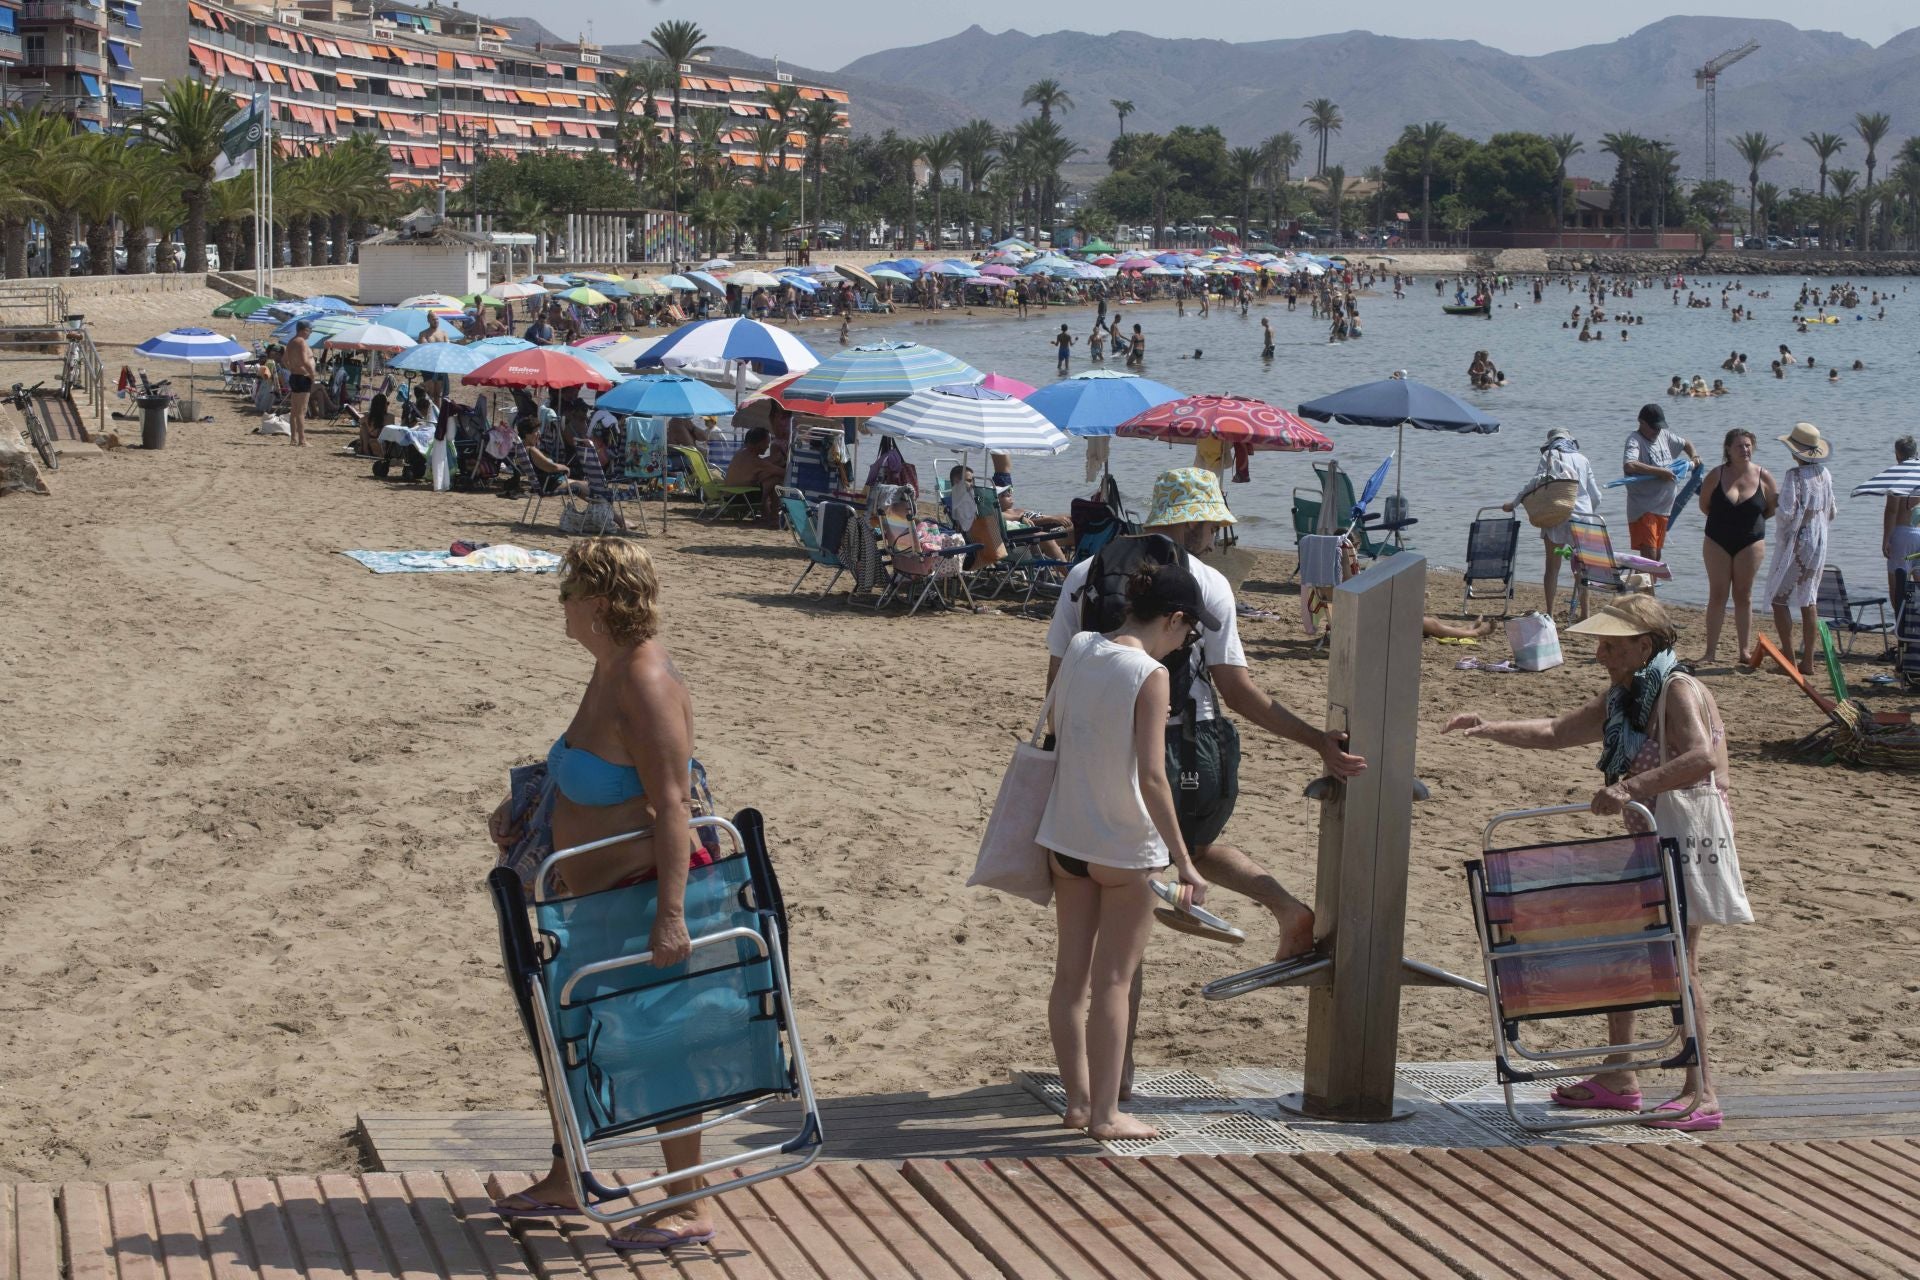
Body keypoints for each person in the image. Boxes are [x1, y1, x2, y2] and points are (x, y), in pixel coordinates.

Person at [1044, 470, 1366, 1084]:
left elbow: (1058, 680)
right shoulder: (1207, 582)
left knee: (1148, 870)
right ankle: (1262, 906)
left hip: (1094, 742)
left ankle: (1119, 1067)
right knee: (1160, 866)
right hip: (1189, 746)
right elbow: (1237, 690)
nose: (1217, 537)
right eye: (1214, 525)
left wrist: (1065, 753)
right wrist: (1314, 740)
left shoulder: (1085, 572)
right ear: (1196, 523)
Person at [1444, 594, 1751, 1131]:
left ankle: (1702, 1094)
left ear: (1645, 645)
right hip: (1648, 840)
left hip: (1684, 841)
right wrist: (1488, 726)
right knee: (1624, 954)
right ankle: (1619, 1077)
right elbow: (1558, 732)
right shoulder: (1627, 695)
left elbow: (1704, 758)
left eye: (1610, 644)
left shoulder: (1677, 689)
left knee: (1680, 962)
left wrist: (1630, 785)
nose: (1600, 654)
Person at [485, 539, 713, 1249]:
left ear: (600, 604)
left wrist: (671, 918)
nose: (561, 604)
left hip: (637, 900)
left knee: (660, 1042)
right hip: (587, 904)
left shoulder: (645, 681)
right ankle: (567, 1175)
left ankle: (688, 1201)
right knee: (566, 1037)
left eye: (568, 592)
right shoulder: (609, 669)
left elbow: (674, 805)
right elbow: (588, 768)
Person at [1039, 562, 1214, 1140]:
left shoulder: (1085, 645)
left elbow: (1064, 727)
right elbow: (1153, 777)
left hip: (1065, 836)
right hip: (1121, 844)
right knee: (1113, 981)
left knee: (1070, 980)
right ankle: (1108, 1116)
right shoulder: (1150, 673)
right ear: (1175, 618)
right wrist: (1184, 861)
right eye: (1189, 630)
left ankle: (1077, 1104)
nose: (1188, 641)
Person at [1697, 429, 1776, 666]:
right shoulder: (1716, 474)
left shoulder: (1764, 476)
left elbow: (1771, 509)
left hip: (1750, 541)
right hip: (1716, 540)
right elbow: (1705, 506)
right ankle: (1710, 652)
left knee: (1744, 594)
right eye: (1740, 446)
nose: (1745, 450)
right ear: (1728, 450)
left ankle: (1743, 651)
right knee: (1718, 594)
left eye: (1748, 445)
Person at [1504, 428, 1603, 617]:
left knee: (1552, 567)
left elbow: (1535, 482)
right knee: (1581, 568)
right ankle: (1585, 613)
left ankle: (1549, 612)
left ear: (1550, 442)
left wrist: (1515, 503)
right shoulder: (1583, 459)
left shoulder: (1550, 455)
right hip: (1582, 518)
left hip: (1556, 516)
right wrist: (1588, 513)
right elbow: (1596, 496)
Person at [1764, 423, 1837, 674]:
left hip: (1799, 542)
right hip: (1820, 541)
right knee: (1808, 598)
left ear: (1796, 452)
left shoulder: (1793, 476)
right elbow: (1833, 512)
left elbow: (1786, 514)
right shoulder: (1825, 474)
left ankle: (1789, 659)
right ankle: (1808, 661)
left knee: (1778, 598)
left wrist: (1772, 499)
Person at [1621, 404, 1699, 563]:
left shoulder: (1664, 435)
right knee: (1650, 557)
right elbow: (1630, 464)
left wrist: (1694, 457)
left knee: (1656, 556)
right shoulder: (1635, 440)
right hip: (1644, 508)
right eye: (1653, 427)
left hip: (1664, 508)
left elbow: (1686, 444)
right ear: (1641, 423)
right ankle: (1647, 587)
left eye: (1659, 427)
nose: (1657, 431)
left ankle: (1646, 586)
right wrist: (1660, 472)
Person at [1882, 436, 1920, 611]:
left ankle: (1900, 625)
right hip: (1917, 535)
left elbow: (1892, 510)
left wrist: (1886, 540)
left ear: (1897, 455)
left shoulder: (1897, 475)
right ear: (1916, 452)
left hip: (1901, 537)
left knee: (1897, 586)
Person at [723, 425, 786, 527]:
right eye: (767, 442)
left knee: (767, 479)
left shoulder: (741, 453)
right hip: (740, 499)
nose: (767, 446)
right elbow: (781, 473)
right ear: (759, 443)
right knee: (776, 480)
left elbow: (758, 469)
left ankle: (766, 516)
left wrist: (775, 459)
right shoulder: (755, 460)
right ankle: (774, 519)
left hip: (730, 496)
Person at [284, 320, 316, 448]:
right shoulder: (301, 342)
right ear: (304, 330)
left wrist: (291, 368)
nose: (310, 333)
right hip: (303, 377)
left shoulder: (291, 342)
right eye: (310, 330)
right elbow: (304, 360)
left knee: (294, 410)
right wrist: (312, 374)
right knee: (301, 411)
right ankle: (302, 440)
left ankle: (293, 439)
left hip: (295, 376)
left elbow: (284, 359)